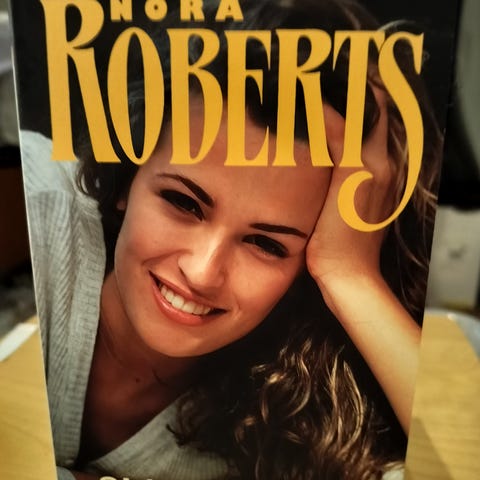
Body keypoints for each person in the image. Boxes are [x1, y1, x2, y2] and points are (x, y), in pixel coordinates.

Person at [21, 0, 441, 479]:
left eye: (267, 244)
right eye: (183, 202)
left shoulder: (282, 425)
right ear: (128, 174)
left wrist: (353, 277)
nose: (202, 272)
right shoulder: (36, 210)